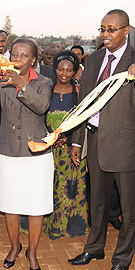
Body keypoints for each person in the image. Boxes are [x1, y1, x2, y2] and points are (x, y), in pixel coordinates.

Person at [68, 9, 135, 270]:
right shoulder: (94, 58)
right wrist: (78, 140)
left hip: (126, 147)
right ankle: (94, 248)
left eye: (111, 29)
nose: (105, 35)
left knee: (128, 210)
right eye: (102, 29)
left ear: (126, 31)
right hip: (95, 141)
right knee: (96, 203)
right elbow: (84, 104)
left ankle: (122, 260)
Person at [0, 38, 54, 270]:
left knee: (36, 207)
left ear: (33, 59)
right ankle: (15, 247)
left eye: (24, 56)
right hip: (9, 152)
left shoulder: (44, 82)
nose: (18, 59)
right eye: (15, 54)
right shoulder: (2, 81)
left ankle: (32, 252)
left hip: (37, 154)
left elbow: (41, 107)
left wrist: (22, 84)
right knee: (10, 205)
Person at [43, 50, 88, 239]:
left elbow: (83, 120)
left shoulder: (79, 92)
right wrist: (50, 138)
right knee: (49, 186)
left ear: (75, 72)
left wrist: (68, 139)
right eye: (61, 69)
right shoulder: (45, 90)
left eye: (69, 70)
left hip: (71, 150)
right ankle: (51, 225)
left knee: (71, 187)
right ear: (55, 69)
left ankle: (71, 226)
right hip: (48, 150)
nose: (64, 73)